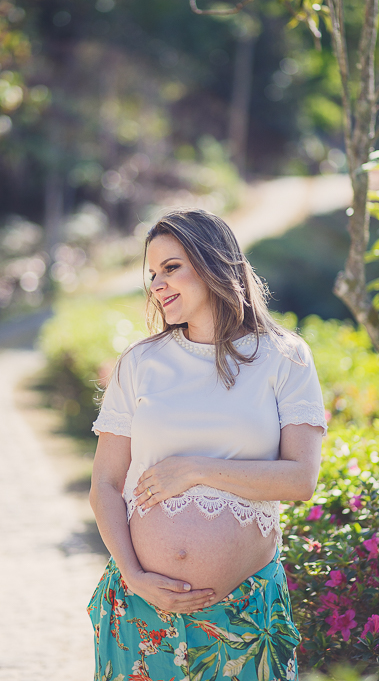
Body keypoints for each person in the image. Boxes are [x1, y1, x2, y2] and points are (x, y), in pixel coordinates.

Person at [87, 208, 327, 681]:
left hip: (245, 613)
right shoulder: (141, 362)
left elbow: (301, 478)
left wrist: (194, 469)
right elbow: (104, 484)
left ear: (214, 261)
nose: (157, 284)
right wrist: (135, 576)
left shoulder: (284, 357)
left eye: (171, 267)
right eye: (152, 273)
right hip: (142, 609)